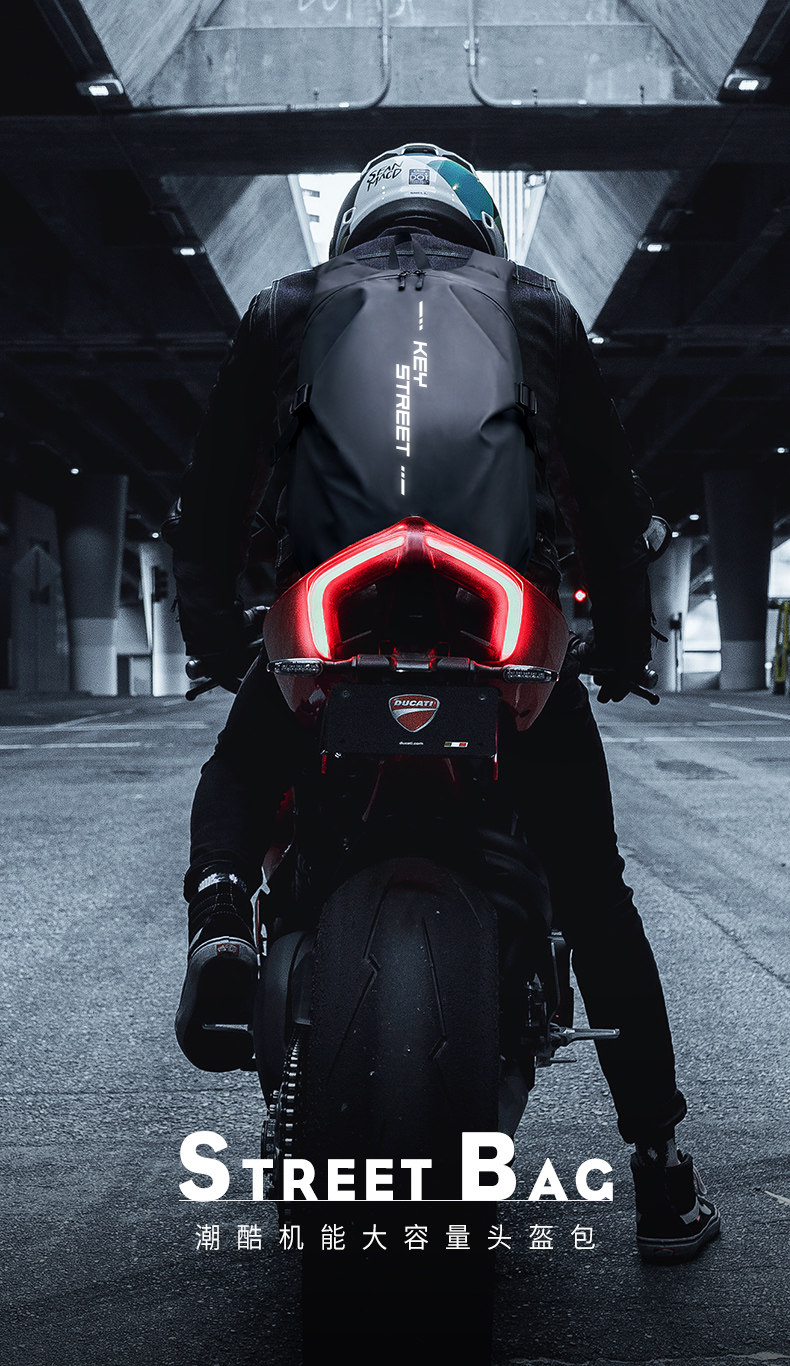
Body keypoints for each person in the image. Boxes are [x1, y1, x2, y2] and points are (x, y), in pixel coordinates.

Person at [164, 144, 720, 1263]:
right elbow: (605, 500)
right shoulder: (537, 304)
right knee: (594, 890)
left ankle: (221, 915)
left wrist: (219, 641)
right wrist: (618, 649)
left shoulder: (286, 305)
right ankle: (659, 1173)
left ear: (356, 223)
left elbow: (212, 497)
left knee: (241, 768)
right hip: (499, 635)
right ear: (476, 222)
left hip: (331, 625)